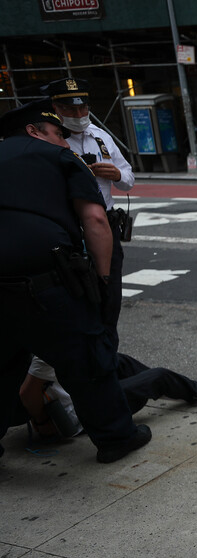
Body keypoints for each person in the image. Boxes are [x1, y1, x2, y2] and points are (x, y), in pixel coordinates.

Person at [0, 99, 151, 464]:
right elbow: (95, 220)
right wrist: (101, 279)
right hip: (45, 282)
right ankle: (115, 437)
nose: (66, 143)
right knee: (86, 357)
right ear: (35, 132)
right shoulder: (60, 159)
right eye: (58, 134)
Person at [43, 77, 135, 344]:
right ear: (55, 108)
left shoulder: (100, 135)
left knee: (110, 295)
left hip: (106, 224)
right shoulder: (51, 139)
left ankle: (106, 349)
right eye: (70, 110)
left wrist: (116, 173)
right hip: (70, 227)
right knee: (79, 296)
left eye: (83, 108)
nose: (79, 115)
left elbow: (128, 177)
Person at [19, 353, 197, 439]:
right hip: (83, 414)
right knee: (158, 377)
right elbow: (27, 393)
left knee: (119, 361)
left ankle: (188, 387)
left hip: (85, 399)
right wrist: (43, 422)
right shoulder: (46, 352)